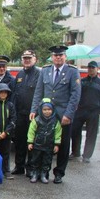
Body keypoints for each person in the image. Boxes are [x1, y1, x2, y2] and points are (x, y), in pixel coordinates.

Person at [30, 45, 81, 184]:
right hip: (45, 113)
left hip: (63, 114)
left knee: (63, 144)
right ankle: (41, 171)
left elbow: (75, 95)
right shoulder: (45, 71)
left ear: (65, 57)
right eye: (55, 55)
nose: (58, 57)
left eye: (61, 55)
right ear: (52, 57)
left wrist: (69, 114)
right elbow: (38, 92)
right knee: (43, 142)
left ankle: (59, 173)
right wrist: (34, 110)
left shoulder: (72, 72)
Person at [70, 61, 100, 163]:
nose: (91, 70)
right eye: (89, 68)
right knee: (75, 131)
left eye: (93, 68)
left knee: (91, 134)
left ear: (97, 69)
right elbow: (76, 94)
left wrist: (99, 111)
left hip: (93, 111)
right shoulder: (82, 81)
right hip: (80, 110)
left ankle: (87, 155)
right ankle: (75, 152)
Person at [11, 50, 40, 176]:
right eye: (25, 58)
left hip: (33, 114)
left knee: (32, 142)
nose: (27, 60)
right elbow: (15, 95)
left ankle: (31, 168)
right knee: (20, 141)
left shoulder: (39, 74)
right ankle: (19, 166)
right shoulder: (20, 74)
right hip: (20, 114)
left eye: (29, 58)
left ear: (35, 59)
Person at [27, 99, 62, 183]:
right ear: (41, 110)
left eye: (49, 110)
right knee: (35, 159)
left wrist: (57, 144)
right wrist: (30, 142)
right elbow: (31, 132)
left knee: (47, 161)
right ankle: (35, 173)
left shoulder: (55, 122)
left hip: (49, 145)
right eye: (45, 110)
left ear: (52, 110)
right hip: (37, 145)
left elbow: (58, 133)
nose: (47, 112)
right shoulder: (36, 120)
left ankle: (44, 174)